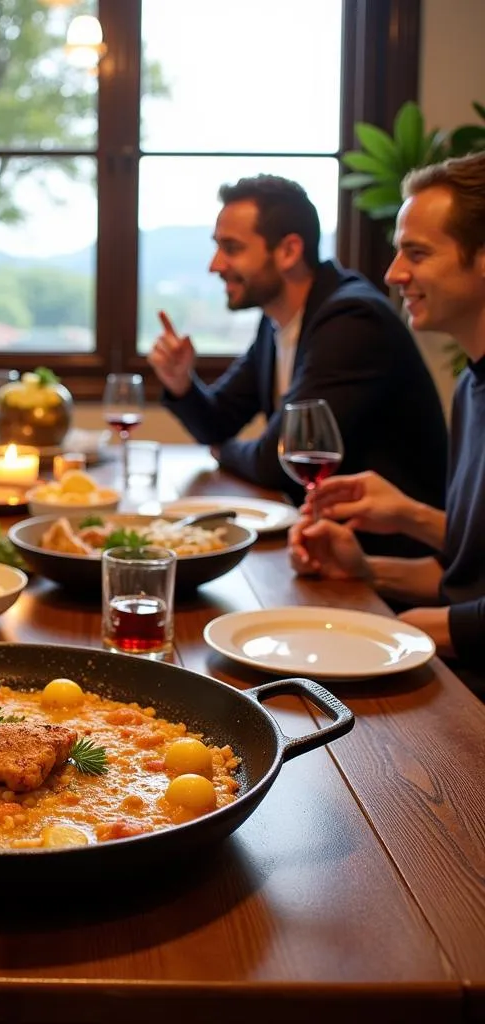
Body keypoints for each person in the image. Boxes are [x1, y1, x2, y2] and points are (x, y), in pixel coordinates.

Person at [148, 174, 448, 557]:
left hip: (390, 562)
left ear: (289, 250)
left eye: (231, 248)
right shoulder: (278, 320)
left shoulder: (351, 320)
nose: (215, 264)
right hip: (324, 547)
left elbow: (279, 461)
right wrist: (181, 384)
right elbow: (217, 421)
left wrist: (225, 451)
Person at [289, 151, 485, 697]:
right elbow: (468, 580)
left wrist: (407, 632)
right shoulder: (473, 387)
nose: (393, 273)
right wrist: (369, 566)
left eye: (416, 253)